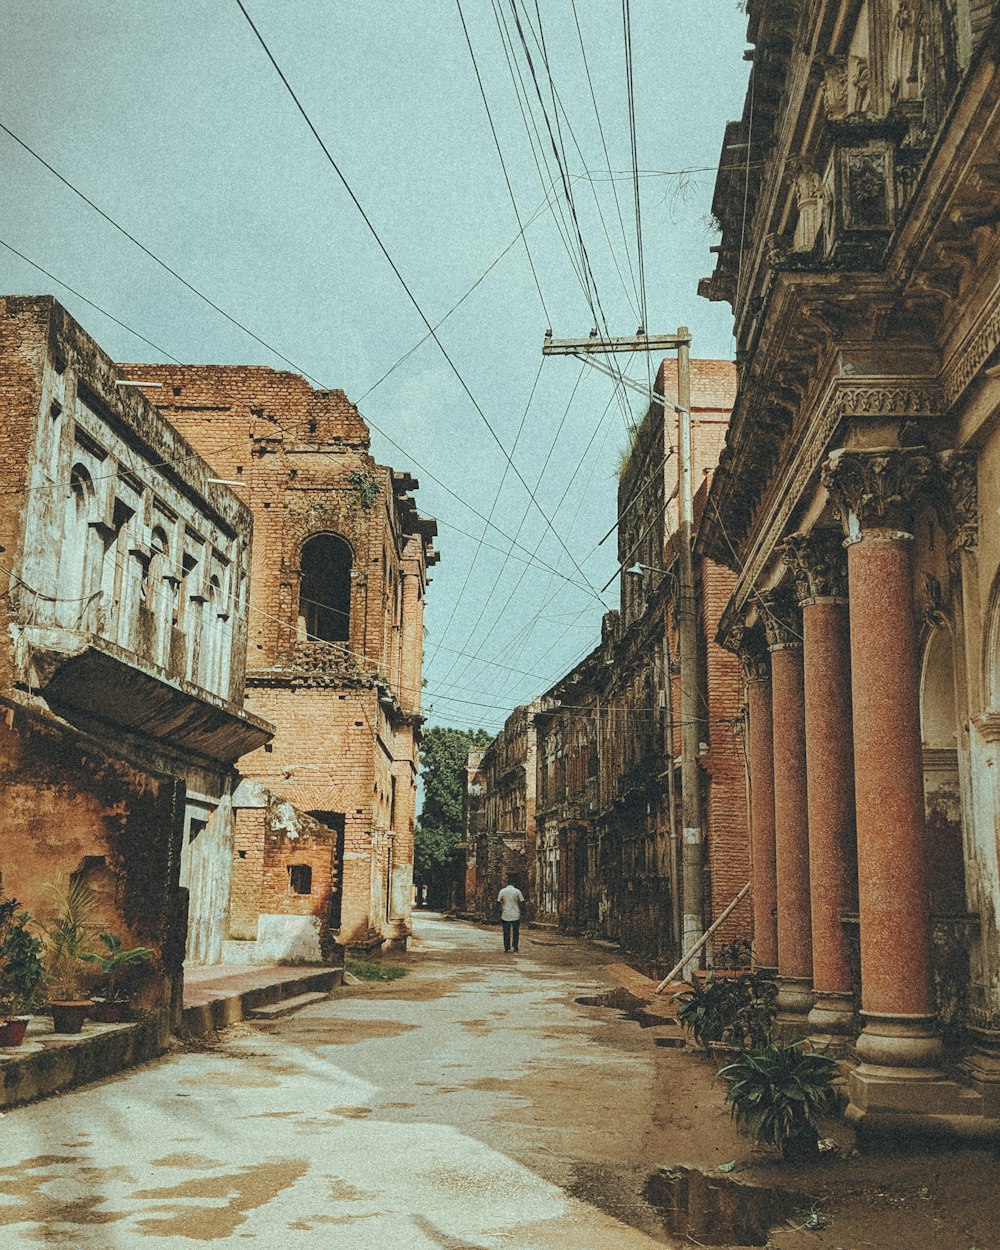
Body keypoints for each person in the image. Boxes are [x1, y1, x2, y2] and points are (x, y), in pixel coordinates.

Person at [497, 879, 525, 953]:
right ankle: (515, 946)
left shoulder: (502, 891)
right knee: (515, 931)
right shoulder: (517, 891)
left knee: (506, 932)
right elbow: (522, 902)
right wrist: (523, 912)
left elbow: (498, 902)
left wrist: (499, 912)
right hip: (516, 913)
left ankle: (507, 947)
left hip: (505, 914)